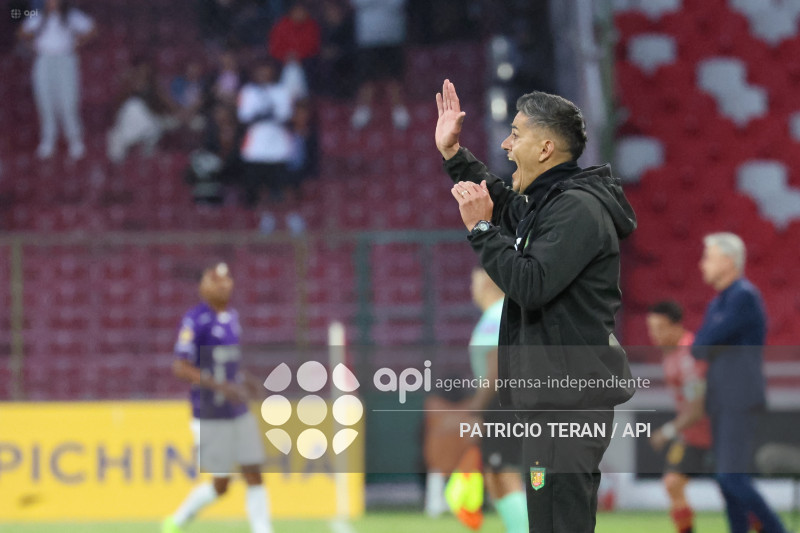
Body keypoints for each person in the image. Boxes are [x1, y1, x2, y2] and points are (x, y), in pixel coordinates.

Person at [435, 79, 637, 532]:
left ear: (545, 148)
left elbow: (529, 283)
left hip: (570, 400)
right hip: (554, 398)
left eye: (516, 135)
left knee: (562, 525)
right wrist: (454, 155)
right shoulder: (553, 204)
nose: (506, 146)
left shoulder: (577, 210)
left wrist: (482, 230)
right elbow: (506, 205)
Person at [163, 263, 273, 533]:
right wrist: (221, 387)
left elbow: (230, 363)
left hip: (237, 411)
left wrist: (247, 381)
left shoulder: (232, 317)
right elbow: (180, 366)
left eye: (226, 279)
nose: (223, 285)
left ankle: (263, 529)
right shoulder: (195, 319)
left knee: (254, 472)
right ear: (204, 286)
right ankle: (177, 521)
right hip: (209, 413)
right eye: (216, 280)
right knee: (221, 484)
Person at [692, 233, 788, 533]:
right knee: (726, 479)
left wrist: (710, 342)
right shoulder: (718, 302)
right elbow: (699, 347)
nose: (701, 265)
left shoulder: (743, 297)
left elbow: (705, 342)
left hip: (738, 398)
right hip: (722, 399)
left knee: (731, 477)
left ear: (728, 261)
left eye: (708, 257)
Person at [467, 268, 528, 533]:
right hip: (510, 401)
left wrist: (475, 406)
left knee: (505, 472)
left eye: (474, 280)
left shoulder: (496, 316)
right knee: (495, 474)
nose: (472, 287)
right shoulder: (502, 313)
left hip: (504, 402)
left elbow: (496, 367)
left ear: (486, 283)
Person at [646, 300, 711, 533]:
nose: (655, 335)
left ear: (676, 326)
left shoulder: (688, 356)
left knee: (736, 490)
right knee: (673, 484)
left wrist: (667, 432)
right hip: (692, 434)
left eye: (660, 328)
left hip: (713, 433)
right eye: (651, 328)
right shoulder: (671, 355)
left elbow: (696, 409)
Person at [17, 0, 96, 160]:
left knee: (68, 101)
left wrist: (78, 42)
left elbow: (92, 29)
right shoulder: (37, 15)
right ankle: (48, 140)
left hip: (65, 59)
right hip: (44, 60)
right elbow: (22, 30)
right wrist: (32, 44)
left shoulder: (72, 16)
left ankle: (74, 140)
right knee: (45, 100)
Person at [236, 59, 294, 207]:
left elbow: (285, 114)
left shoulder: (282, 91)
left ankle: (280, 218)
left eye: (267, 71)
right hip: (255, 143)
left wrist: (268, 113)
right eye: (260, 71)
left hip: (277, 143)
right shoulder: (248, 91)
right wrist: (262, 113)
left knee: (278, 186)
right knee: (254, 185)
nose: (264, 74)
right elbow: (243, 115)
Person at [350, 0, 410, 130]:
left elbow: (398, 3)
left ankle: (398, 111)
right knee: (366, 77)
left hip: (393, 35)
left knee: (394, 76)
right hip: (367, 37)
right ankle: (364, 110)